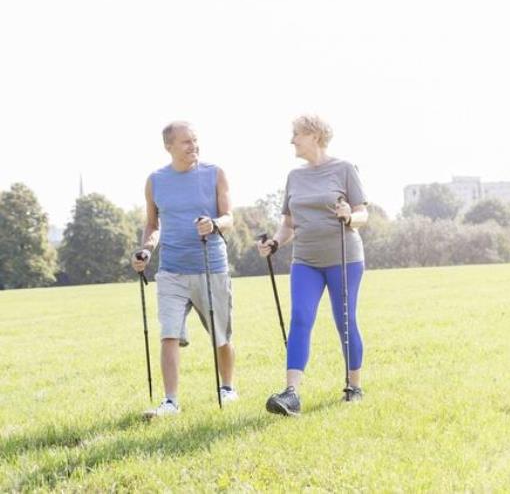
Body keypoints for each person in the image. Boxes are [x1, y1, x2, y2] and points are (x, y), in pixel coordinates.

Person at [258, 114, 369, 416]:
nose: (292, 140)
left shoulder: (344, 169)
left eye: (296, 134)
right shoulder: (295, 177)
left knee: (344, 320)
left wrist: (349, 215)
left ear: (315, 135)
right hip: (305, 259)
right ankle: (291, 393)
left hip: (344, 258)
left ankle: (354, 386)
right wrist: (276, 243)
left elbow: (362, 215)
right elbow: (288, 224)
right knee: (301, 319)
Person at [132, 121, 238, 417]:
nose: (194, 146)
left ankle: (227, 387)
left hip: (210, 266)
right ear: (169, 147)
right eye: (186, 142)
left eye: (195, 140)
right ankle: (170, 402)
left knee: (221, 335)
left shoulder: (215, 174)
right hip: (171, 270)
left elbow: (229, 217)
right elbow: (152, 225)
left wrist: (214, 224)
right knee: (168, 334)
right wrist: (146, 250)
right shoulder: (155, 181)